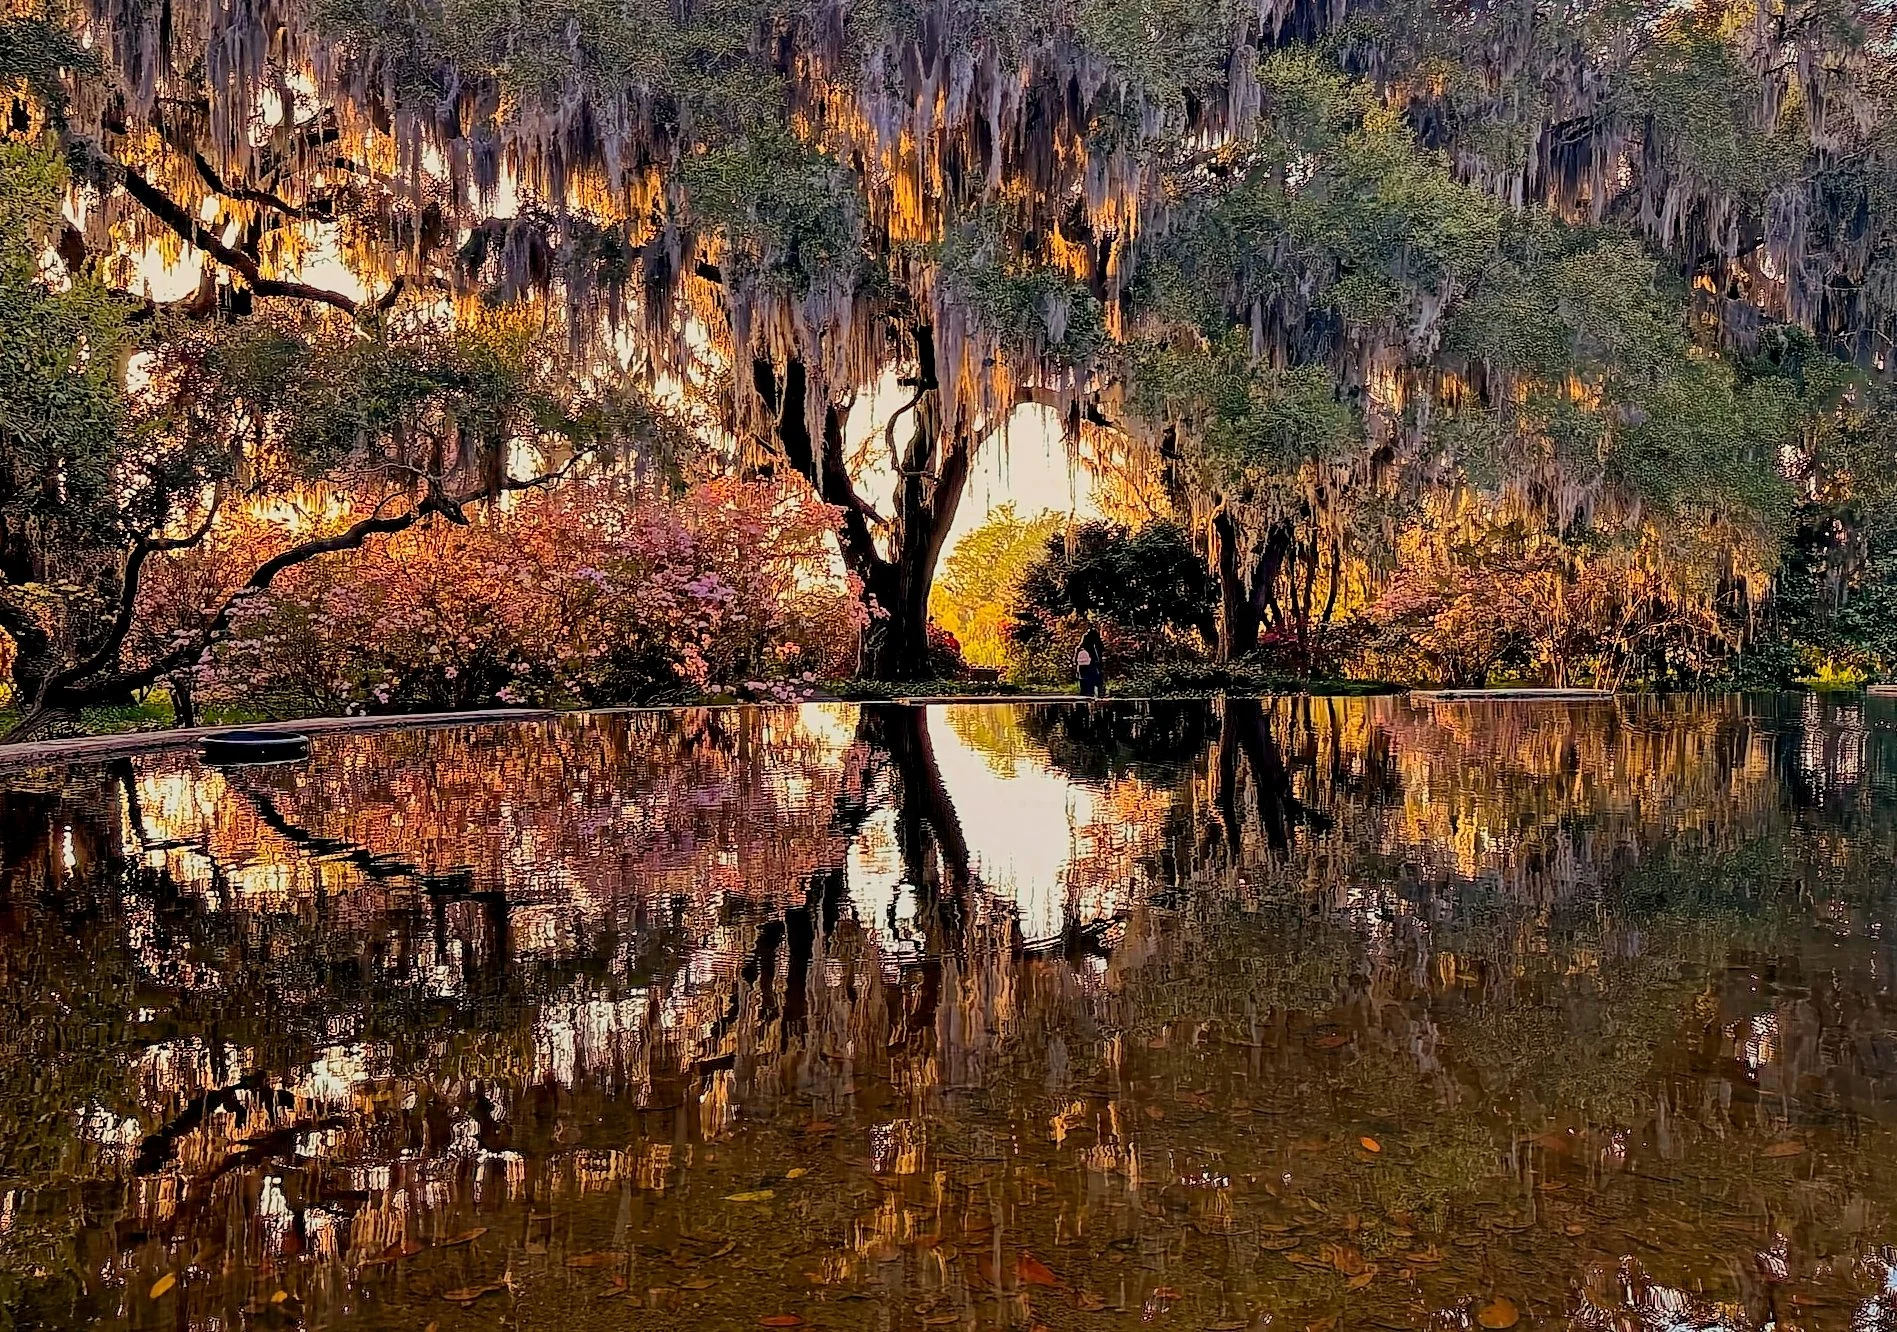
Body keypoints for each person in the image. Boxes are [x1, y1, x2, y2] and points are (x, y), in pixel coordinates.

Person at [1075, 626, 1107, 698]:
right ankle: (1098, 699)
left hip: (1082, 669)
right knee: (1094, 686)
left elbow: (1075, 660)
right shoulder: (1094, 647)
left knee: (1084, 689)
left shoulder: (1079, 648)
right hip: (1091, 668)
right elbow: (1098, 659)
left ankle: (1083, 705)